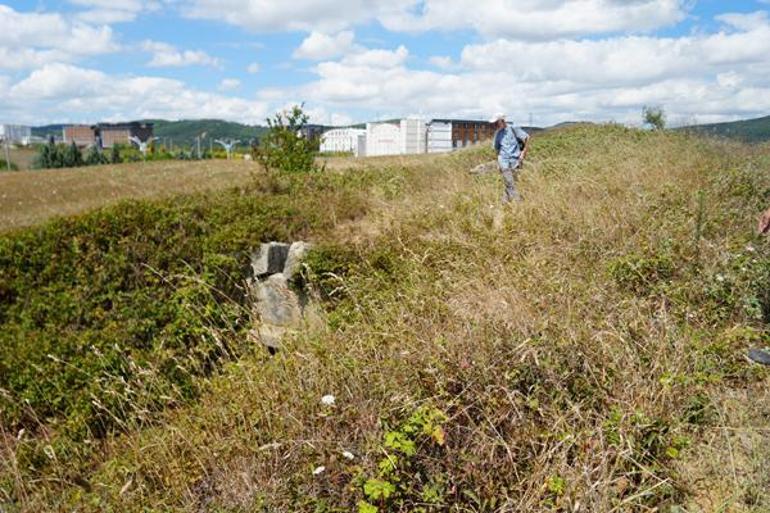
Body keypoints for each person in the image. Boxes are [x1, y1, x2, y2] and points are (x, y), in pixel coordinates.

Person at [491, 113, 530, 203]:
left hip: (515, 161)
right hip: (504, 161)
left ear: (502, 121)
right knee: (510, 182)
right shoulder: (497, 134)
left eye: (496, 123)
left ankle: (504, 202)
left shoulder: (513, 128)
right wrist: (498, 163)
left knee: (511, 183)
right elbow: (497, 149)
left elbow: (527, 137)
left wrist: (523, 153)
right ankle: (519, 202)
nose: (495, 125)